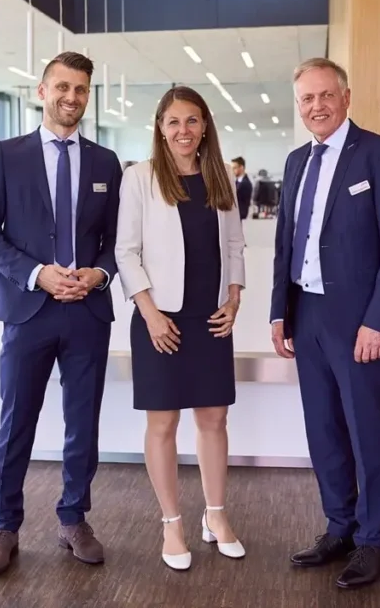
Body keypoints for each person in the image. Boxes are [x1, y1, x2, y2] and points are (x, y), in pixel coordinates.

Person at [0, 51, 123, 576]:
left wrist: (98, 274)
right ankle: (5, 527)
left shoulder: (105, 163)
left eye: (80, 89)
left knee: (82, 423)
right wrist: (37, 272)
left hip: (85, 312)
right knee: (16, 423)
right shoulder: (6, 155)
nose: (71, 97)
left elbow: (116, 242)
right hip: (27, 310)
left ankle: (74, 517)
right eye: (62, 87)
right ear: (41, 91)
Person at [269, 57, 380, 589]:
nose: (317, 106)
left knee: (364, 429)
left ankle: (373, 541)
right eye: (307, 99)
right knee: (323, 429)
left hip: (357, 321)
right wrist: (278, 311)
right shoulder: (294, 162)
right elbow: (285, 243)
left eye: (326, 95)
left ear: (346, 97)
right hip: (305, 315)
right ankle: (340, 527)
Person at [115, 85, 247, 572]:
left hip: (211, 318)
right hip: (160, 320)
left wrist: (234, 299)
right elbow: (125, 252)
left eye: (191, 121)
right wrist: (149, 313)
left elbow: (234, 246)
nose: (182, 130)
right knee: (163, 424)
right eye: (173, 122)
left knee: (214, 421)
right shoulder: (140, 179)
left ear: (205, 126)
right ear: (159, 128)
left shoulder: (220, 180)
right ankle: (172, 522)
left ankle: (216, 516)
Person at [231, 156, 253, 221]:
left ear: (241, 167)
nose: (232, 171)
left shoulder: (245, 183)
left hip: (240, 216)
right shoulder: (236, 182)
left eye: (234, 168)